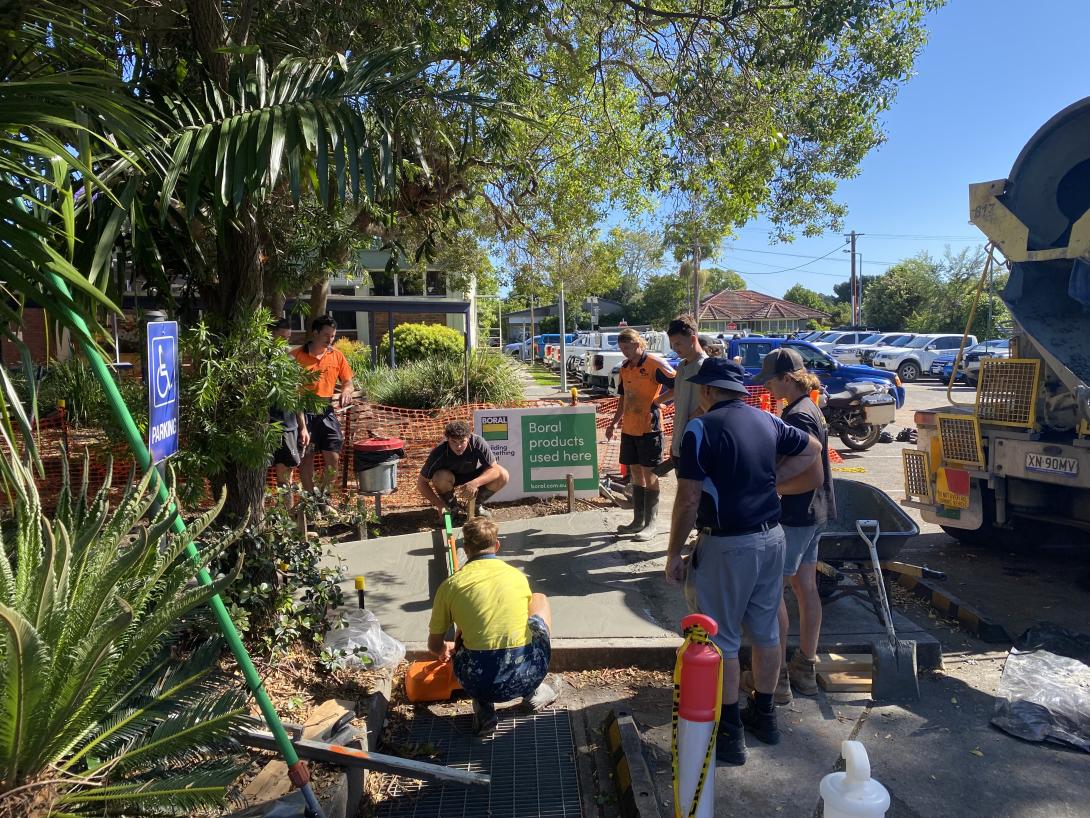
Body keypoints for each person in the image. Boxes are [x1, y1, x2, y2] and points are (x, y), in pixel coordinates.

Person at [664, 357, 821, 766]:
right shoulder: (767, 420)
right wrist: (775, 482)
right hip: (772, 538)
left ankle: (730, 732)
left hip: (727, 545)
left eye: (701, 388)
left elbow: (688, 499)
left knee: (723, 640)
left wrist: (674, 552)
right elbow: (814, 449)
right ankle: (765, 716)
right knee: (767, 631)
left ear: (710, 390)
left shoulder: (700, 427)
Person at [427, 516, 558, 735]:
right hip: (527, 675)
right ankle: (533, 694)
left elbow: (434, 645)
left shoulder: (450, 586)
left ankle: (484, 709)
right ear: (497, 545)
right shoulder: (516, 576)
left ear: (466, 549)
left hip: (477, 681)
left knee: (465, 632)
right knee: (539, 599)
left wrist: (444, 649)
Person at [754, 348, 834, 703]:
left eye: (770, 380)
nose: (767, 386)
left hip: (795, 516)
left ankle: (781, 675)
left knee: (774, 594)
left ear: (788, 378)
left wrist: (768, 488)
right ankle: (806, 666)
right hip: (816, 514)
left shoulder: (799, 416)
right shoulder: (809, 407)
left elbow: (808, 472)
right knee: (806, 588)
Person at [605, 328, 675, 541]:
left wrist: (657, 402)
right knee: (635, 472)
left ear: (639, 344)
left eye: (628, 347)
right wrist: (614, 422)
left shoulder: (654, 363)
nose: (625, 352)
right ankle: (638, 520)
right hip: (630, 428)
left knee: (650, 473)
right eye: (622, 348)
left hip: (649, 429)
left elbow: (677, 385)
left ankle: (651, 524)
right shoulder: (625, 368)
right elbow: (622, 399)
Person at [291, 315, 354, 494]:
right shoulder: (295, 355)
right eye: (326, 335)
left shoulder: (337, 356)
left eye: (333, 336)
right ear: (315, 332)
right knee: (307, 458)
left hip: (326, 410)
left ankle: (323, 498)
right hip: (303, 411)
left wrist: (346, 392)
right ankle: (311, 499)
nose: (330, 339)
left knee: (334, 457)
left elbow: (348, 382)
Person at [418, 420, 509, 519]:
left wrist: (475, 483)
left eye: (462, 441)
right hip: (450, 477)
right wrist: (439, 505)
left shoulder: (477, 442)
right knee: (439, 476)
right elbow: (421, 482)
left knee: (503, 474)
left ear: (469, 437)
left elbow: (494, 469)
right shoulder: (439, 452)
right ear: (447, 439)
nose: (458, 446)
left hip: (473, 475)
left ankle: (475, 505)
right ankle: (452, 507)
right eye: (454, 441)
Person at [270, 318, 309, 490]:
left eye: (288, 338)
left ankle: (287, 515)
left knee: (286, 475)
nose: (285, 342)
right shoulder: (256, 363)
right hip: (265, 424)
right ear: (270, 335)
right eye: (282, 338)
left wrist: (303, 427)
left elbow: (296, 396)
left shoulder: (290, 362)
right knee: (259, 476)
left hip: (288, 424)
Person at [666, 316, 708, 466]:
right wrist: (675, 442)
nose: (675, 348)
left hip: (698, 444)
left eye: (678, 343)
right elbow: (680, 407)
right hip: (680, 445)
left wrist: (694, 418)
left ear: (692, 339)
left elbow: (711, 407)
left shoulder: (706, 366)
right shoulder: (682, 366)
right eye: (672, 345)